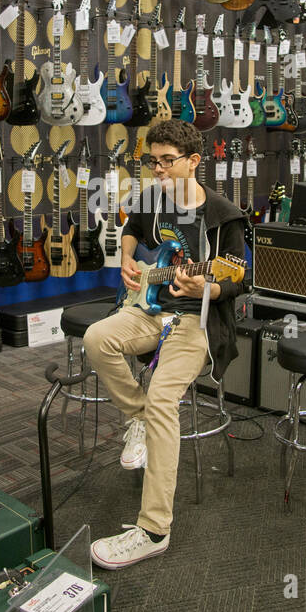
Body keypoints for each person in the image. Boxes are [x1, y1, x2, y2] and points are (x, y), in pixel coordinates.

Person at [83, 119, 248, 569]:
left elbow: (237, 278)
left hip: (196, 323)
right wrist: (125, 261)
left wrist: (207, 289)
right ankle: (136, 419)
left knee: (162, 400)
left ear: (194, 161)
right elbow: (132, 231)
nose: (157, 169)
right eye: (151, 161)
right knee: (96, 339)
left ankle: (154, 529)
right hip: (146, 309)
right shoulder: (152, 200)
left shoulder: (225, 215)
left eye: (166, 161)